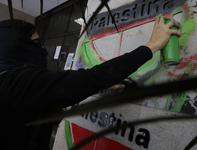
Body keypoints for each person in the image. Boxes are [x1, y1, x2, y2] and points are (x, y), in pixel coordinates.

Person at [0, 14, 181, 150]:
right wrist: (152, 45)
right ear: (16, 46)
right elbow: (89, 79)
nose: (42, 49)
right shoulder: (14, 82)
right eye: (36, 43)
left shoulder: (9, 81)